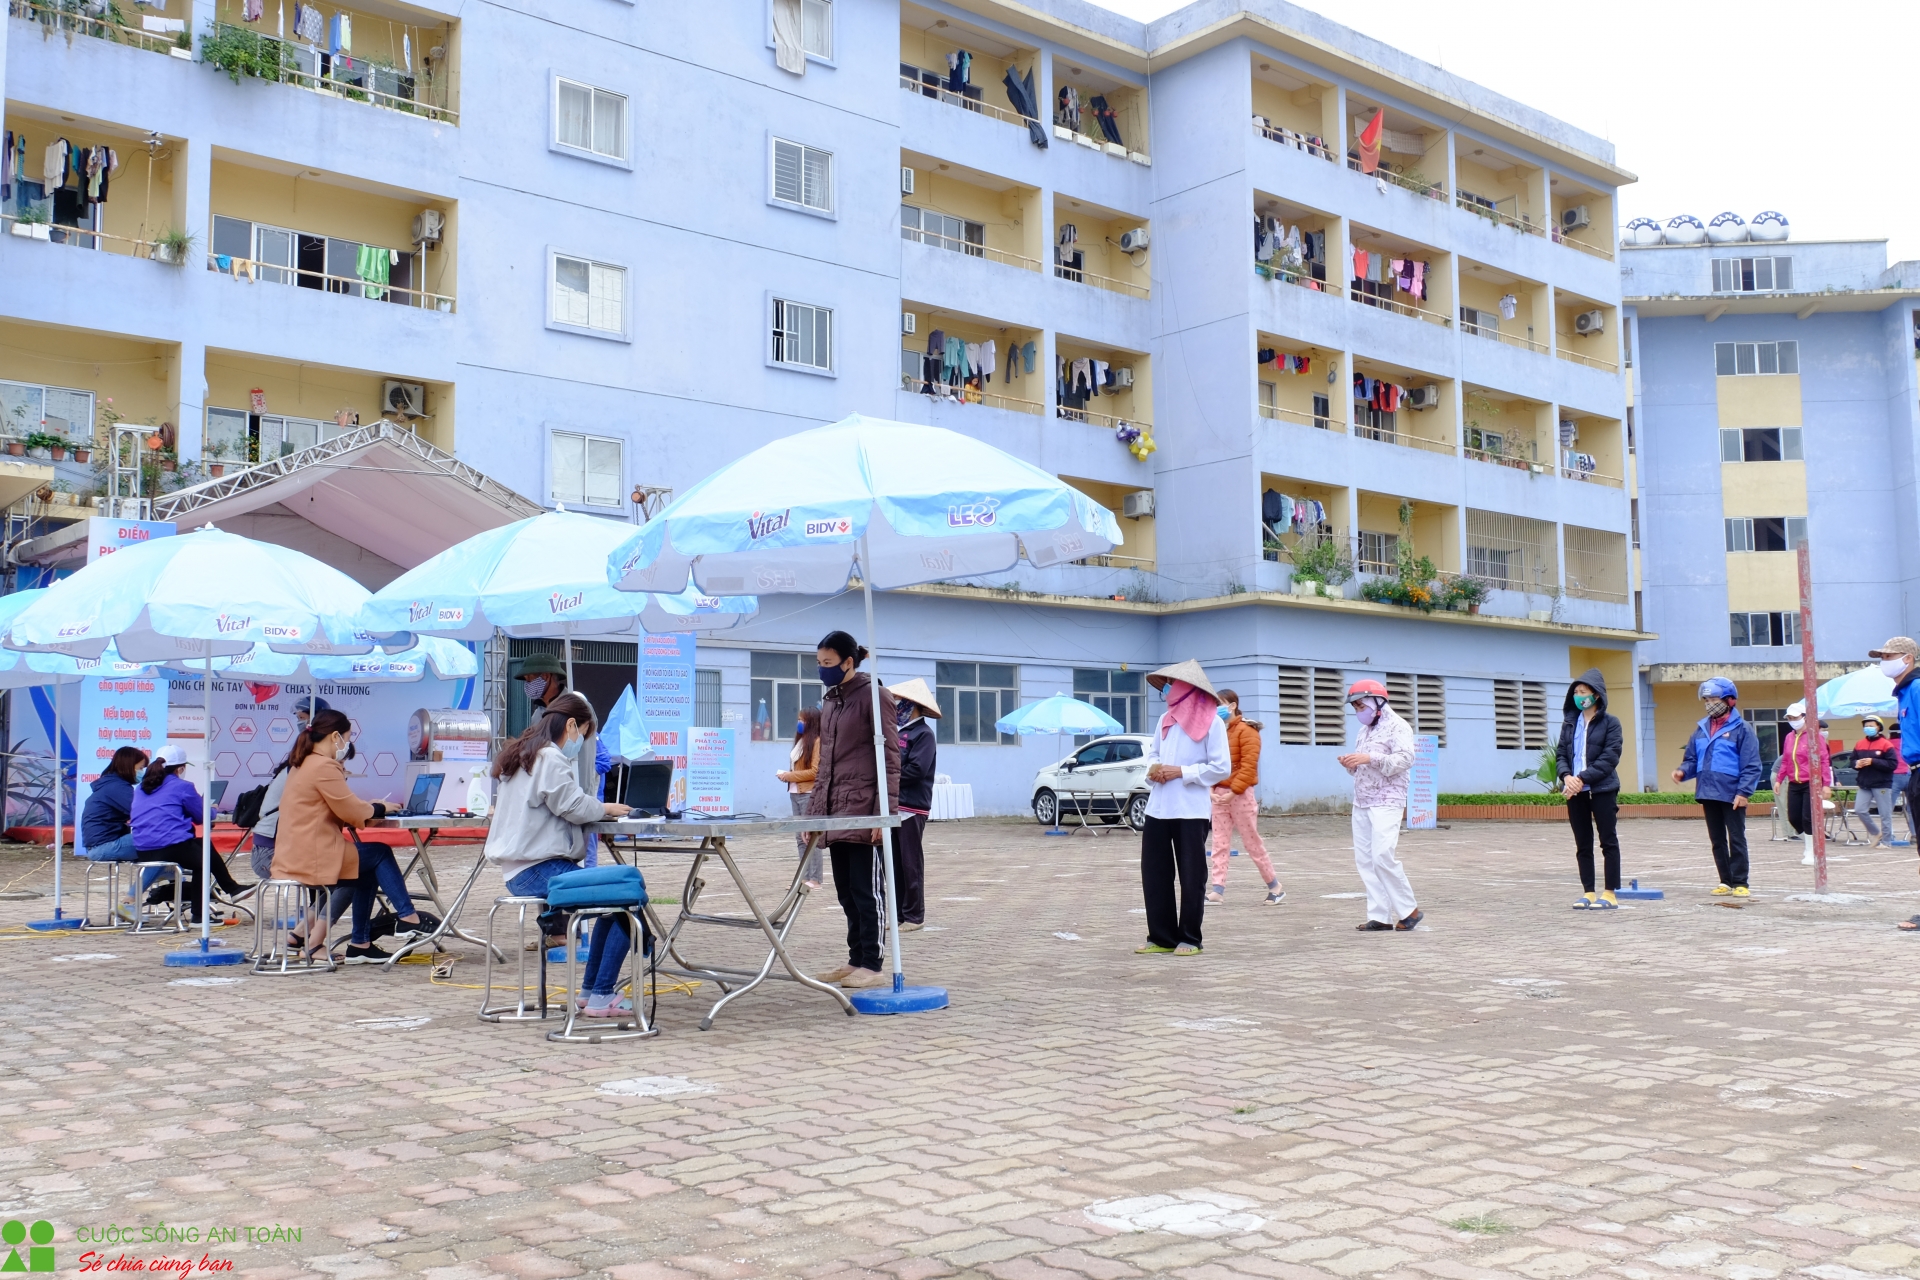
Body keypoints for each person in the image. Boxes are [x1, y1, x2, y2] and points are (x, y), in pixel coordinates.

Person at [484, 692, 636, 1013]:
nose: (581, 741)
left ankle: (592, 993)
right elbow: (573, 805)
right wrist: (606, 807)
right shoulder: (550, 758)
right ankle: (599, 994)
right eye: (582, 733)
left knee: (616, 901)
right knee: (628, 900)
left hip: (521, 870)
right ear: (570, 725)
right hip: (540, 868)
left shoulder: (524, 753)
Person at [269, 709, 420, 963]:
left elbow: (339, 805)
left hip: (294, 851)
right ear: (336, 736)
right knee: (380, 852)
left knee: (363, 868)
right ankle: (408, 918)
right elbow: (350, 810)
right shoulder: (324, 765)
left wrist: (367, 807)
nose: (347, 745)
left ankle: (359, 943)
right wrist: (379, 808)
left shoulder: (302, 763)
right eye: (347, 738)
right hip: (313, 854)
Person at [807, 630, 900, 991]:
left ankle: (872, 963)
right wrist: (815, 817)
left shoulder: (875, 698)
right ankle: (855, 958)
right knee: (846, 890)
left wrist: (883, 813)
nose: (822, 669)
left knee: (866, 890)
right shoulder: (831, 702)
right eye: (819, 663)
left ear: (848, 662)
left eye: (828, 664)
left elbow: (891, 759)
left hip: (865, 808)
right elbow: (825, 766)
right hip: (836, 810)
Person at [1135, 660, 1230, 956]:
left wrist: (1182, 772)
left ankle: (1190, 937)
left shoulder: (1211, 721)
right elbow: (1152, 753)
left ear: (1188, 688)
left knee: (1191, 875)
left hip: (1190, 809)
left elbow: (1221, 767)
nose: (1166, 690)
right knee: (1154, 872)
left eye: (1171, 684)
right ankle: (1161, 936)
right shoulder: (1165, 718)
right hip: (1159, 808)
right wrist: (1155, 769)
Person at [1338, 679, 1422, 931]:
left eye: (1360, 705)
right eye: (1355, 707)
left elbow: (1406, 759)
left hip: (1388, 799)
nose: (1358, 711)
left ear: (1378, 702)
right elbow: (1363, 767)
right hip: (1362, 800)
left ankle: (1410, 910)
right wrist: (1351, 764)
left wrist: (1370, 757)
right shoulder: (1364, 732)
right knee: (1365, 860)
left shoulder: (1398, 726)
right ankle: (1380, 916)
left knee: (1382, 855)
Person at [130, 744, 245, 924]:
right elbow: (201, 817)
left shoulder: (141, 788)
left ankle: (232, 889)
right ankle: (203, 912)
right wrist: (212, 810)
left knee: (201, 846)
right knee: (203, 859)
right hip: (169, 846)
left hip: (142, 849)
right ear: (181, 768)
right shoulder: (183, 786)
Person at [1672, 677, 1763, 896]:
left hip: (1731, 793)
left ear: (1729, 700)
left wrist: (1743, 792)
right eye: (1706, 699)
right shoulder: (1701, 729)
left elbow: (1751, 764)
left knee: (1736, 837)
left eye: (1713, 698)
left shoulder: (1742, 729)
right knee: (1717, 840)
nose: (1709, 702)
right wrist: (1683, 771)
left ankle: (1741, 882)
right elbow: (1692, 759)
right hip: (1707, 791)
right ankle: (1725, 881)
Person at [1205, 688, 1283, 906]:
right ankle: (1217, 890)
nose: (1216, 709)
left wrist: (1232, 792)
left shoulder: (1248, 731)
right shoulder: (1217, 731)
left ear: (1232, 705)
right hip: (1220, 795)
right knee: (1219, 843)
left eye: (1219, 704)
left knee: (1252, 843)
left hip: (1239, 795)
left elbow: (1249, 768)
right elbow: (1211, 762)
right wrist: (1212, 789)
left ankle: (1275, 886)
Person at [1557, 670, 1625, 910]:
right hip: (1575, 792)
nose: (1578, 696)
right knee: (1582, 843)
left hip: (1602, 789)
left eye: (1583, 692)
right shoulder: (1569, 723)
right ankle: (1588, 892)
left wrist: (1582, 778)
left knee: (1608, 841)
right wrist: (1567, 777)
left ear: (1596, 695)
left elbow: (1610, 758)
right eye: (1575, 692)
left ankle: (1610, 893)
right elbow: (1561, 755)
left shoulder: (1611, 723)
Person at [1868, 637, 1920, 930]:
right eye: (1882, 655)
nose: (1884, 660)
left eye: (1889, 655)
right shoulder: (1904, 692)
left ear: (1908, 658)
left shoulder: (1917, 688)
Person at [888, 677, 941, 932]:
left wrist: (889, 778)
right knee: (894, 864)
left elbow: (917, 770)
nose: (899, 707)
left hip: (912, 807)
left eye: (904, 703)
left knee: (911, 863)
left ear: (916, 706)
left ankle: (914, 916)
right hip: (895, 806)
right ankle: (898, 915)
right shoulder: (898, 733)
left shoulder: (924, 735)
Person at [78, 746, 149, 920]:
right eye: (140, 768)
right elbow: (143, 813)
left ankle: (175, 883)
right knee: (161, 843)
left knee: (163, 855)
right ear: (128, 766)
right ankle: (128, 903)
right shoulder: (119, 788)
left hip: (99, 844)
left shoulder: (109, 784)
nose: (142, 773)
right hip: (105, 845)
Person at [1774, 700, 1833, 868]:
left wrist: (1826, 784)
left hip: (1811, 783)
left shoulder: (1815, 737)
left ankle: (1811, 851)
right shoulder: (1789, 737)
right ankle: (1813, 844)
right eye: (1789, 718)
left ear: (1805, 717)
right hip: (1794, 782)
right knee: (1793, 818)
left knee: (1808, 818)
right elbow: (1786, 760)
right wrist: (1779, 779)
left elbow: (1823, 760)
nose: (1792, 720)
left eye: (1795, 717)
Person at [778, 706, 823, 886]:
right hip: (795, 793)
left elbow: (814, 771)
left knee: (811, 836)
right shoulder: (800, 741)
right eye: (798, 719)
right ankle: (803, 877)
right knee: (799, 837)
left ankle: (816, 878)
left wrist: (789, 776)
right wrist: (787, 777)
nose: (799, 723)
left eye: (802, 720)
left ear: (811, 722)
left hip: (808, 793)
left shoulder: (817, 742)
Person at [1853, 715, 1898, 848]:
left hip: (1882, 783)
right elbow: (1852, 761)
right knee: (1860, 809)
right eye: (1866, 726)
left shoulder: (1886, 744)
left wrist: (1873, 761)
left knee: (1885, 813)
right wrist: (1856, 763)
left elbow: (1892, 764)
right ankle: (1876, 832)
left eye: (1871, 725)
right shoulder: (1859, 743)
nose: (1868, 728)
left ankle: (1886, 841)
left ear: (1879, 727)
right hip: (1864, 783)